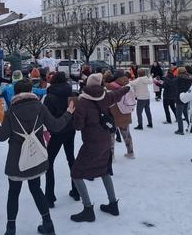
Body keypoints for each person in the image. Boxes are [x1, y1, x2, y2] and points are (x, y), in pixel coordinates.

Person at [0, 79, 74, 235]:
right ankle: (48, 224)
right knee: (36, 189)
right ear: (30, 91)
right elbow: (55, 126)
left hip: (16, 162)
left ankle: (10, 229)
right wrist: (68, 113)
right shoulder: (40, 107)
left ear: (16, 93)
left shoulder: (11, 111)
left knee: (13, 193)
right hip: (35, 158)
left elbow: (1, 136)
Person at [70, 73, 131, 223]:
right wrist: (128, 87)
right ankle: (113, 204)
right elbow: (119, 93)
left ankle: (88, 209)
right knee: (104, 170)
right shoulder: (106, 96)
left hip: (91, 142)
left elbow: (78, 126)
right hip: (105, 140)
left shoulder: (82, 102)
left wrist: (72, 114)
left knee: (76, 174)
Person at [43, 71, 80, 207]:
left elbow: (47, 116)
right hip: (70, 130)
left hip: (56, 131)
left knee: (49, 162)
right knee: (71, 158)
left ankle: (49, 196)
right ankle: (76, 190)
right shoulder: (71, 94)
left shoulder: (50, 96)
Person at [107, 70, 135, 159]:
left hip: (113, 113)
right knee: (127, 134)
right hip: (126, 113)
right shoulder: (128, 85)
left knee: (111, 136)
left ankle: (111, 156)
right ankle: (130, 152)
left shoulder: (110, 86)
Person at [172, 67, 192, 135]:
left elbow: (172, 83)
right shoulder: (189, 78)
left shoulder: (178, 79)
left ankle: (180, 130)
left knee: (179, 114)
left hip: (179, 97)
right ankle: (190, 127)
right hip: (186, 97)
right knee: (186, 113)